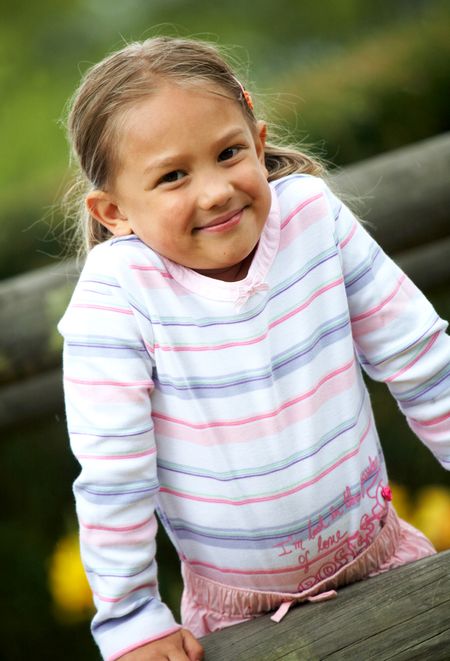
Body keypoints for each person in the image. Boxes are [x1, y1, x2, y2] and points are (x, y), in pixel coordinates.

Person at [58, 36, 450, 661]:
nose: (214, 190)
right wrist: (133, 618)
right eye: (173, 175)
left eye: (228, 152)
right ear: (113, 211)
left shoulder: (312, 220)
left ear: (259, 144)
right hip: (236, 621)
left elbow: (426, 365)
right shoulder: (117, 298)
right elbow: (114, 478)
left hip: (386, 559)